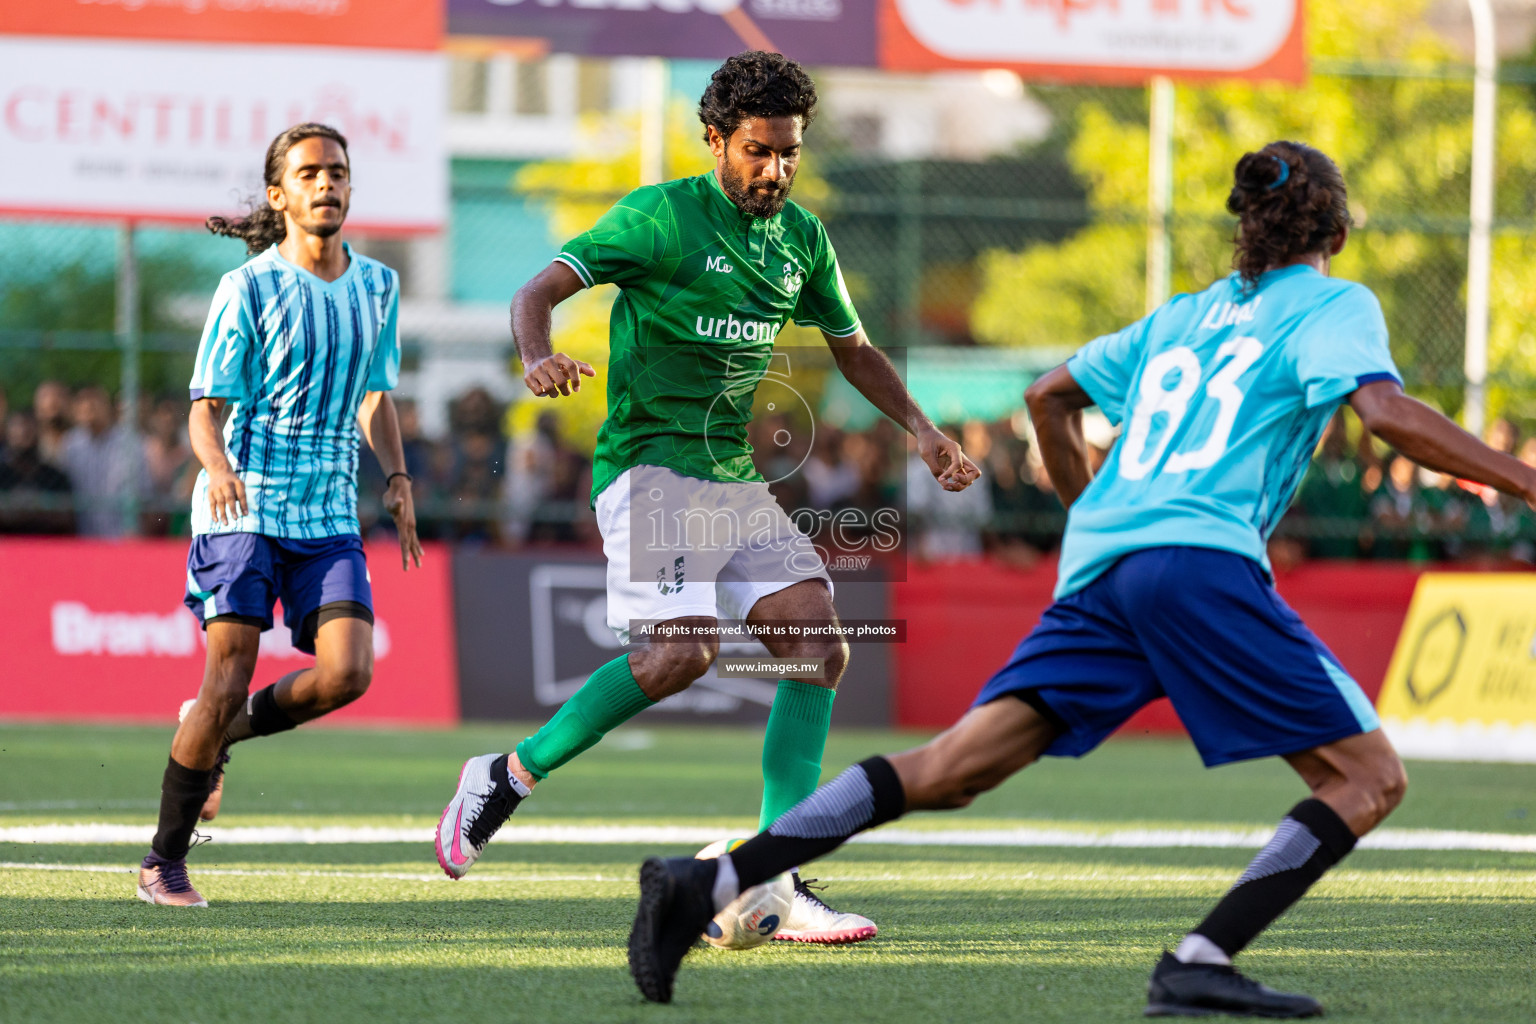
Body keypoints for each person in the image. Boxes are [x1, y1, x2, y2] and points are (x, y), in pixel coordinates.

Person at [626, 140, 1536, 1013]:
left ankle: (710, 881)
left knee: (951, 767)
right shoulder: (1335, 306)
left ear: (1243, 230)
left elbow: (1045, 395)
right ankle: (1199, 961)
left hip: (1107, 564)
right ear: (1334, 236)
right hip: (1199, 562)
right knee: (1369, 778)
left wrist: (1094, 511)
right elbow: (1384, 412)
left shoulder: (1182, 315)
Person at [435, 51, 979, 945]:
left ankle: (776, 872)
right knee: (677, 658)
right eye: (759, 152)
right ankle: (506, 775)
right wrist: (538, 354)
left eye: (790, 154)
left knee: (818, 647)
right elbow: (540, 289)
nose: (775, 171)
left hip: (732, 480)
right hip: (648, 471)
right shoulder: (660, 216)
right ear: (717, 140)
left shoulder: (801, 237)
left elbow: (853, 348)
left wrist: (921, 429)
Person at [135, 123, 424, 908]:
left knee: (348, 673)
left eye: (337, 172)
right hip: (244, 504)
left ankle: (217, 730)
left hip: (328, 510)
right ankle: (164, 860)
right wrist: (219, 466)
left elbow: (374, 394)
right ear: (280, 195)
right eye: (308, 174)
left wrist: (396, 476)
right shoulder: (249, 288)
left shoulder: (380, 288)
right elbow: (204, 409)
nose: (326, 184)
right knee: (228, 673)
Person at [60, 385, 147, 537]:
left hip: (122, 535)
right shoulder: (70, 445)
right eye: (83, 404)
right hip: (80, 535)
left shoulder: (130, 442)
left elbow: (144, 492)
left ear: (108, 406)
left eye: (94, 403)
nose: (89, 408)